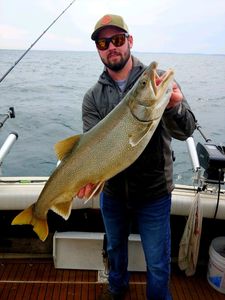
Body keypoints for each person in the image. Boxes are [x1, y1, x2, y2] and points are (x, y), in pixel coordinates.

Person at [79, 14, 196, 300]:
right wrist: (87, 179)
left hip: (153, 193)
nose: (111, 47)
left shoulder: (154, 82)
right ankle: (116, 290)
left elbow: (186, 130)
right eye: (103, 43)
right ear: (99, 50)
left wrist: (173, 107)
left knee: (157, 264)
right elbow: (91, 150)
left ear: (129, 41)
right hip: (115, 194)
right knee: (115, 251)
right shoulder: (92, 98)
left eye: (117, 40)